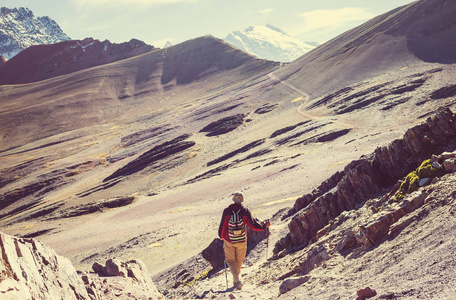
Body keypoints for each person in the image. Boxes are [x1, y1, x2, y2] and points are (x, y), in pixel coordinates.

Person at [218, 192, 270, 290]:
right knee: (239, 260)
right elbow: (253, 225)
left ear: (233, 200)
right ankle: (236, 280)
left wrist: (221, 235)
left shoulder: (227, 211)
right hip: (242, 239)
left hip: (229, 240)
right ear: (241, 201)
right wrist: (264, 226)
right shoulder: (245, 211)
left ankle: (237, 280)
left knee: (230, 260)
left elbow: (223, 225)